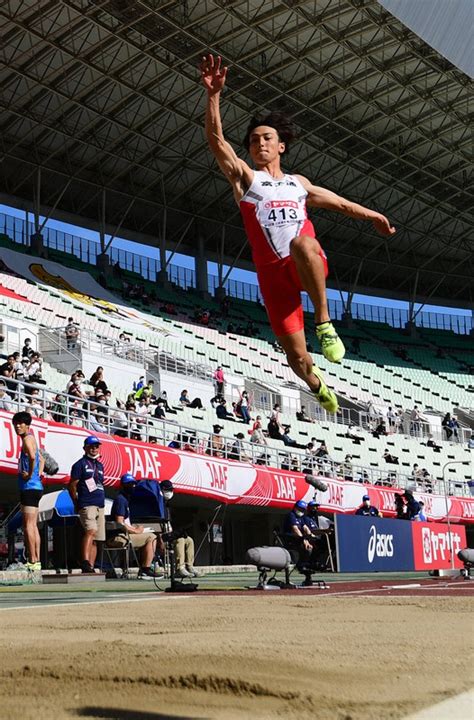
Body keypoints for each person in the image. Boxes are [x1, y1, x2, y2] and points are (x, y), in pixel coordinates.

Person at [201, 54, 395, 415]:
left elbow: (339, 203)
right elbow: (216, 141)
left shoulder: (298, 184)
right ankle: (317, 384)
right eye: (254, 139)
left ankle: (323, 321)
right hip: (273, 279)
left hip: (303, 262)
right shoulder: (246, 179)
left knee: (302, 241)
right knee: (297, 358)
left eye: (267, 138)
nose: (260, 143)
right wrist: (213, 95)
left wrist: (374, 216)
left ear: (281, 146)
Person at [108, 474, 163, 579]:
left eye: (133, 484)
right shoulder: (121, 500)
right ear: (123, 486)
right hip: (119, 536)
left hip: (123, 534)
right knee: (152, 537)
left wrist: (137, 529)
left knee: (148, 534)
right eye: (129, 484)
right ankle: (145, 569)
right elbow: (120, 522)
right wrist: (135, 531)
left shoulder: (125, 499)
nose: (132, 486)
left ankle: (145, 568)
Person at [12, 411, 45, 571]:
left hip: (29, 488)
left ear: (27, 425)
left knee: (28, 525)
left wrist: (30, 474)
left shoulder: (27, 439)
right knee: (33, 525)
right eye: (15, 424)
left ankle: (33, 560)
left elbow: (33, 457)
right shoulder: (32, 439)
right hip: (35, 487)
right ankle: (36, 559)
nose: (17, 426)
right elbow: (41, 459)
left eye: (21, 423)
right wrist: (38, 473)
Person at [68, 436, 106, 573]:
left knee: (97, 539)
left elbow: (99, 484)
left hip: (100, 505)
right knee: (90, 531)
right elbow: (72, 485)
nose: (94, 448)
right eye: (91, 446)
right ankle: (84, 562)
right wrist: (75, 502)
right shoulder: (80, 464)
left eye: (96, 446)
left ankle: (90, 565)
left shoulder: (100, 465)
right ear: (85, 448)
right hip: (87, 503)